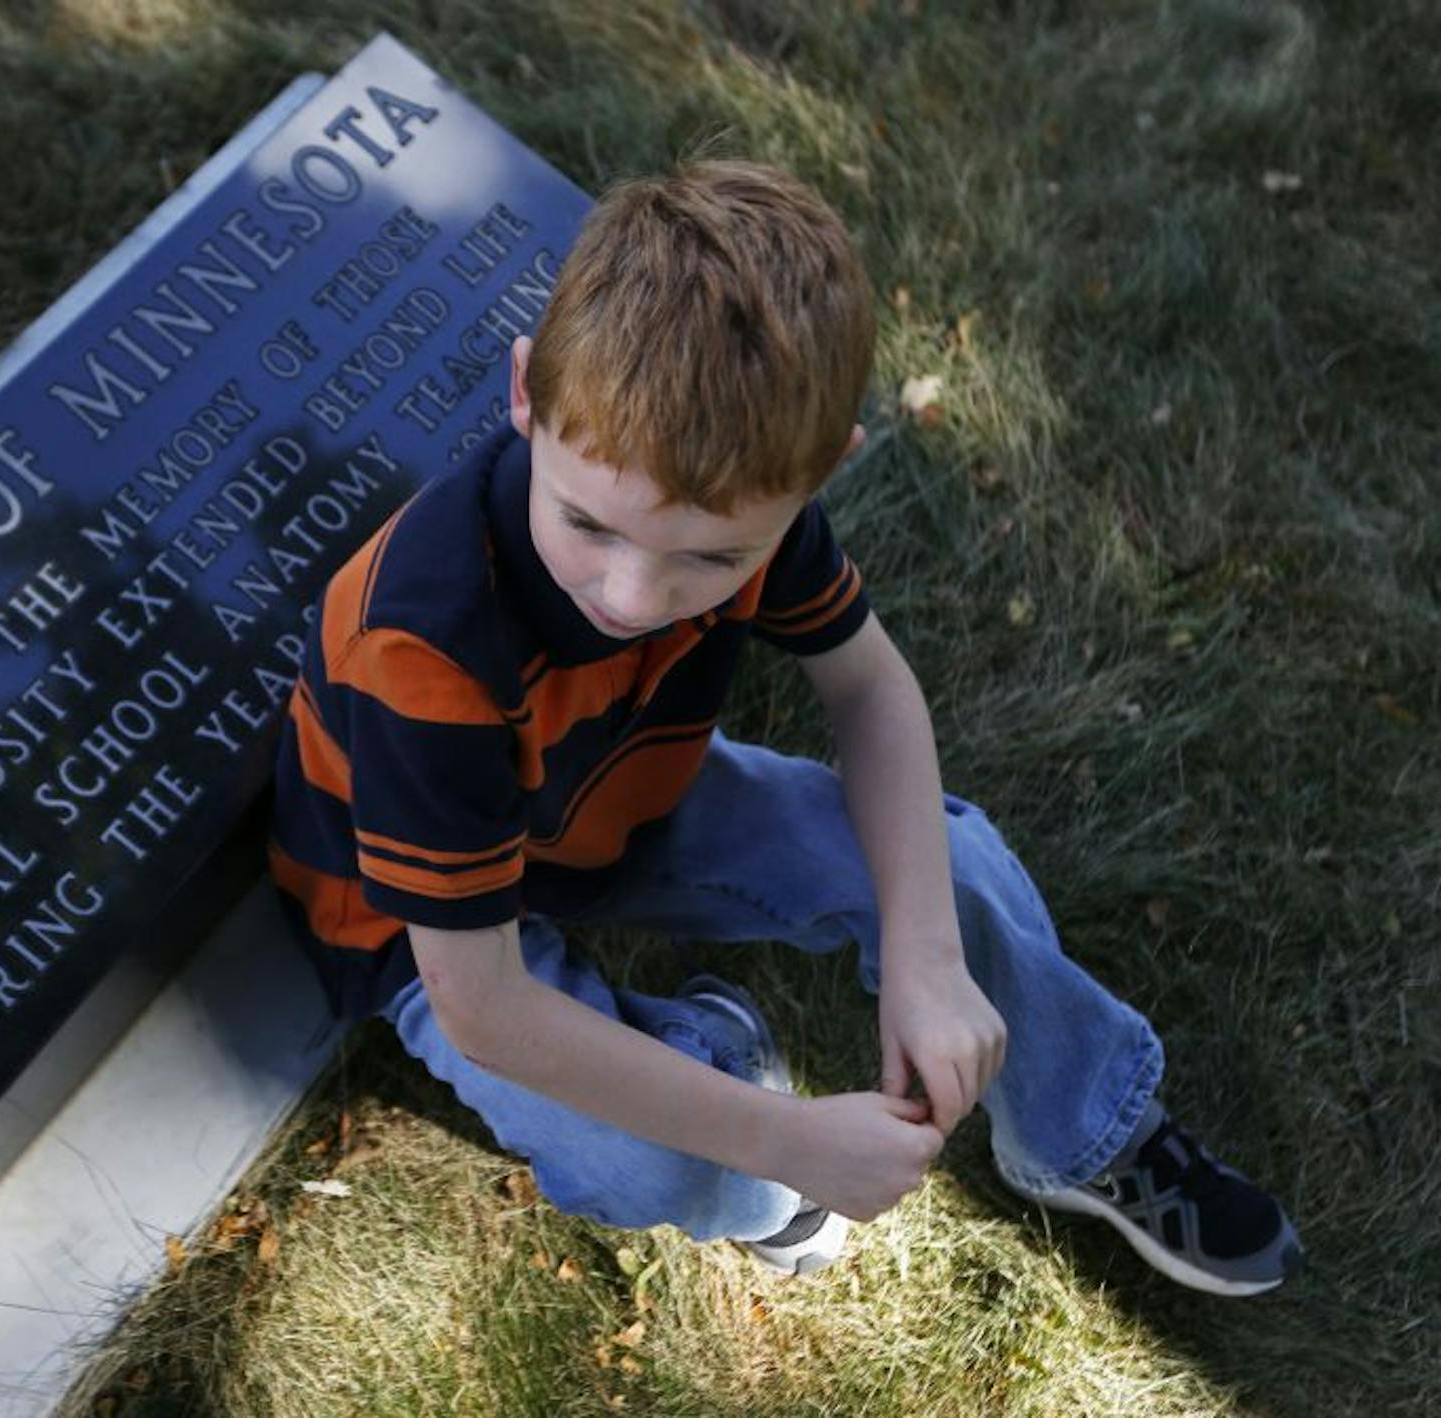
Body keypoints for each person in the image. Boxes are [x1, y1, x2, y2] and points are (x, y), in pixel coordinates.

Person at [266, 159, 1302, 1293]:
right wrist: (786, 1141)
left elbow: (870, 690)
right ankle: (724, 1074)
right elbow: (488, 1007)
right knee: (658, 1167)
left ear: (822, 474)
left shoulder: (752, 494)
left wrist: (924, 954)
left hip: (627, 800)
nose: (632, 595)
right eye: (588, 524)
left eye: (711, 558)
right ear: (523, 396)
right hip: (420, 929)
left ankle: (1090, 1124)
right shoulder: (425, 641)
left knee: (946, 866)